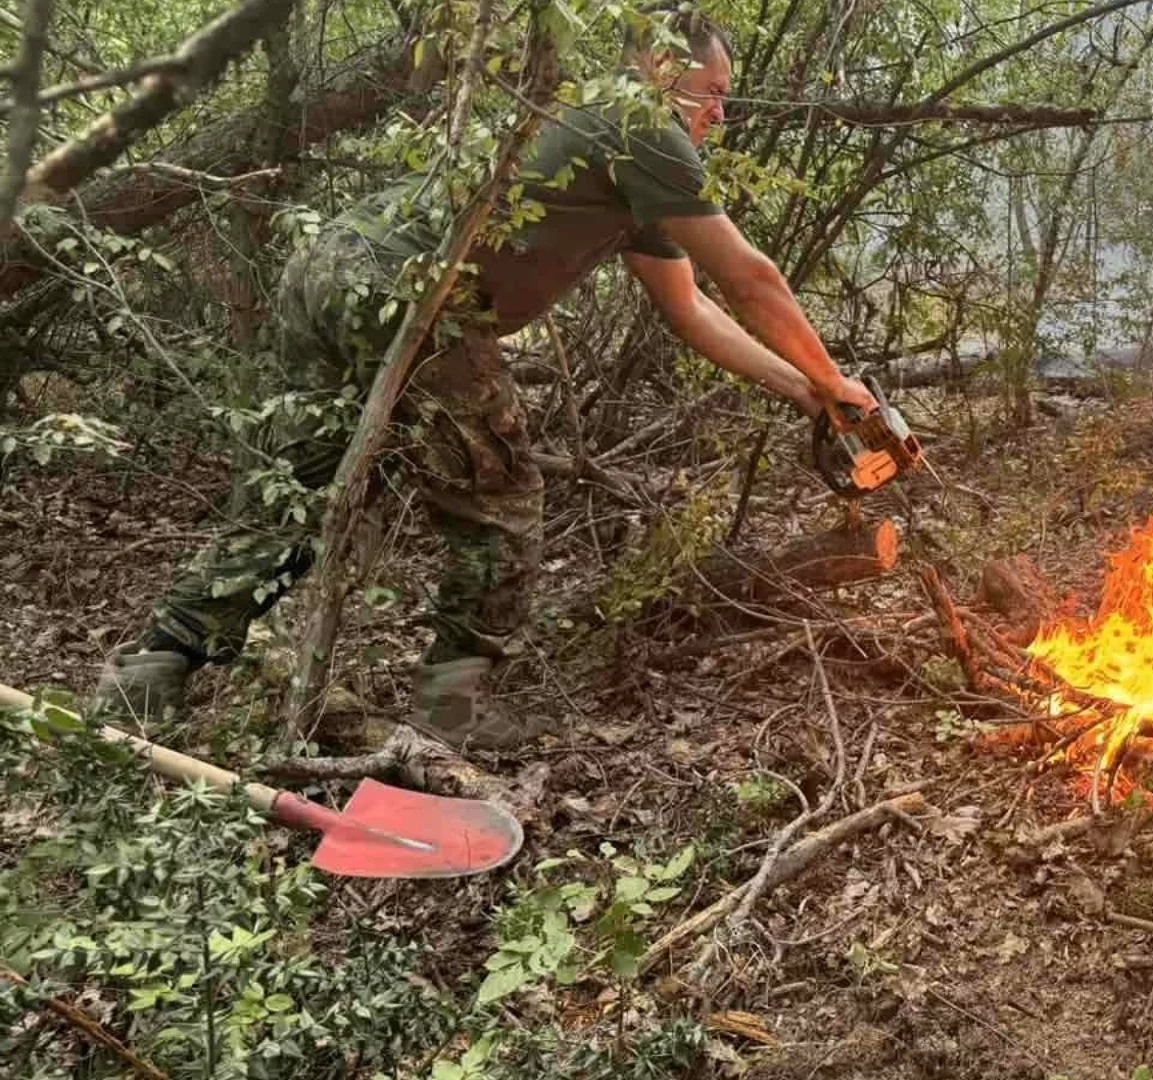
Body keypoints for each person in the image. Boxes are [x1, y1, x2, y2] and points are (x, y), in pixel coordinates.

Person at [91, 10, 876, 749]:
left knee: (307, 486)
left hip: (331, 268)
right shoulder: (642, 124)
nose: (719, 116)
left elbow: (692, 311)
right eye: (714, 95)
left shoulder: (603, 130)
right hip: (412, 293)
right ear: (661, 70)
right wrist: (837, 374)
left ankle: (154, 669)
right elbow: (751, 279)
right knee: (499, 494)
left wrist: (811, 392)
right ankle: (451, 712)